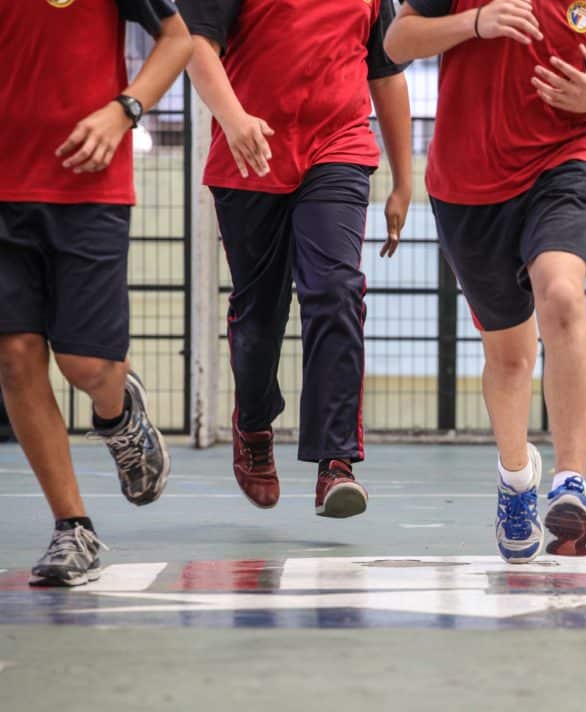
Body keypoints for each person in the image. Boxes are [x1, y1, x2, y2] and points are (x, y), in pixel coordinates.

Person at [385, 0, 586, 561]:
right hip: (467, 187)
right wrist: (475, 23)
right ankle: (516, 477)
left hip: (564, 161)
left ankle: (571, 481)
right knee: (510, 356)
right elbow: (396, 43)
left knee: (565, 296)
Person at [183, 0, 413, 516]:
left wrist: (403, 180)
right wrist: (233, 118)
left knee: (336, 290)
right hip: (250, 151)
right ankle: (254, 423)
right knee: (260, 313)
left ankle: (335, 463)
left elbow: (387, 73)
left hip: (338, 149)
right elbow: (197, 45)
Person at [0, 1, 192, 586]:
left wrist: (125, 109)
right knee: (14, 356)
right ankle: (72, 528)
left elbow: (177, 39)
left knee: (86, 364)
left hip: (89, 187)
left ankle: (119, 414)